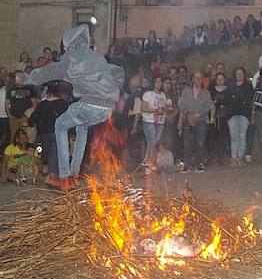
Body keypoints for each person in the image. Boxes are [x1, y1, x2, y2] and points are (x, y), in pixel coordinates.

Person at [25, 25, 124, 189]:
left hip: (89, 103)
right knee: (81, 127)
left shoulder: (72, 57)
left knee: (60, 125)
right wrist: (114, 87)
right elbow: (119, 72)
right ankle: (75, 173)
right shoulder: (97, 58)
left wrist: (28, 77)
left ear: (69, 44)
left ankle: (64, 176)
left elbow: (50, 72)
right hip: (107, 108)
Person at [28, 82, 69, 181]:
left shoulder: (43, 104)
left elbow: (34, 117)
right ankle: (53, 174)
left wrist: (30, 123)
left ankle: (50, 173)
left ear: (48, 92)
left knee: (47, 152)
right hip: (59, 132)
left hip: (45, 132)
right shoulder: (63, 104)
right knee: (55, 153)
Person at [177, 70, 212, 173]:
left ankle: (198, 164)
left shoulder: (206, 93)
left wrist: (197, 115)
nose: (197, 80)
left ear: (202, 79)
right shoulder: (186, 90)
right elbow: (182, 104)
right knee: (187, 142)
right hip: (187, 118)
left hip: (201, 120)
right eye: (196, 78)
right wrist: (188, 115)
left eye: (200, 78)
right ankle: (187, 165)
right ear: (192, 79)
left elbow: (208, 107)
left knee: (200, 142)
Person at [139, 76, 169, 173]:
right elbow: (143, 108)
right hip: (149, 120)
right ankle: (150, 165)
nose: (159, 84)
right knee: (151, 142)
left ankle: (150, 163)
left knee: (154, 143)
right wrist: (155, 110)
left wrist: (163, 110)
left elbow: (164, 107)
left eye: (161, 82)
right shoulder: (148, 94)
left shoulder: (163, 95)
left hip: (160, 121)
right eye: (157, 81)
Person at [227, 67, 253, 166]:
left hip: (244, 114)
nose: (239, 75)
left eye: (241, 73)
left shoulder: (248, 86)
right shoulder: (230, 86)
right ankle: (234, 158)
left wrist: (237, 98)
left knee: (242, 136)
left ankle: (240, 157)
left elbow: (247, 99)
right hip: (232, 115)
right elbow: (229, 100)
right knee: (234, 137)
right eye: (237, 73)